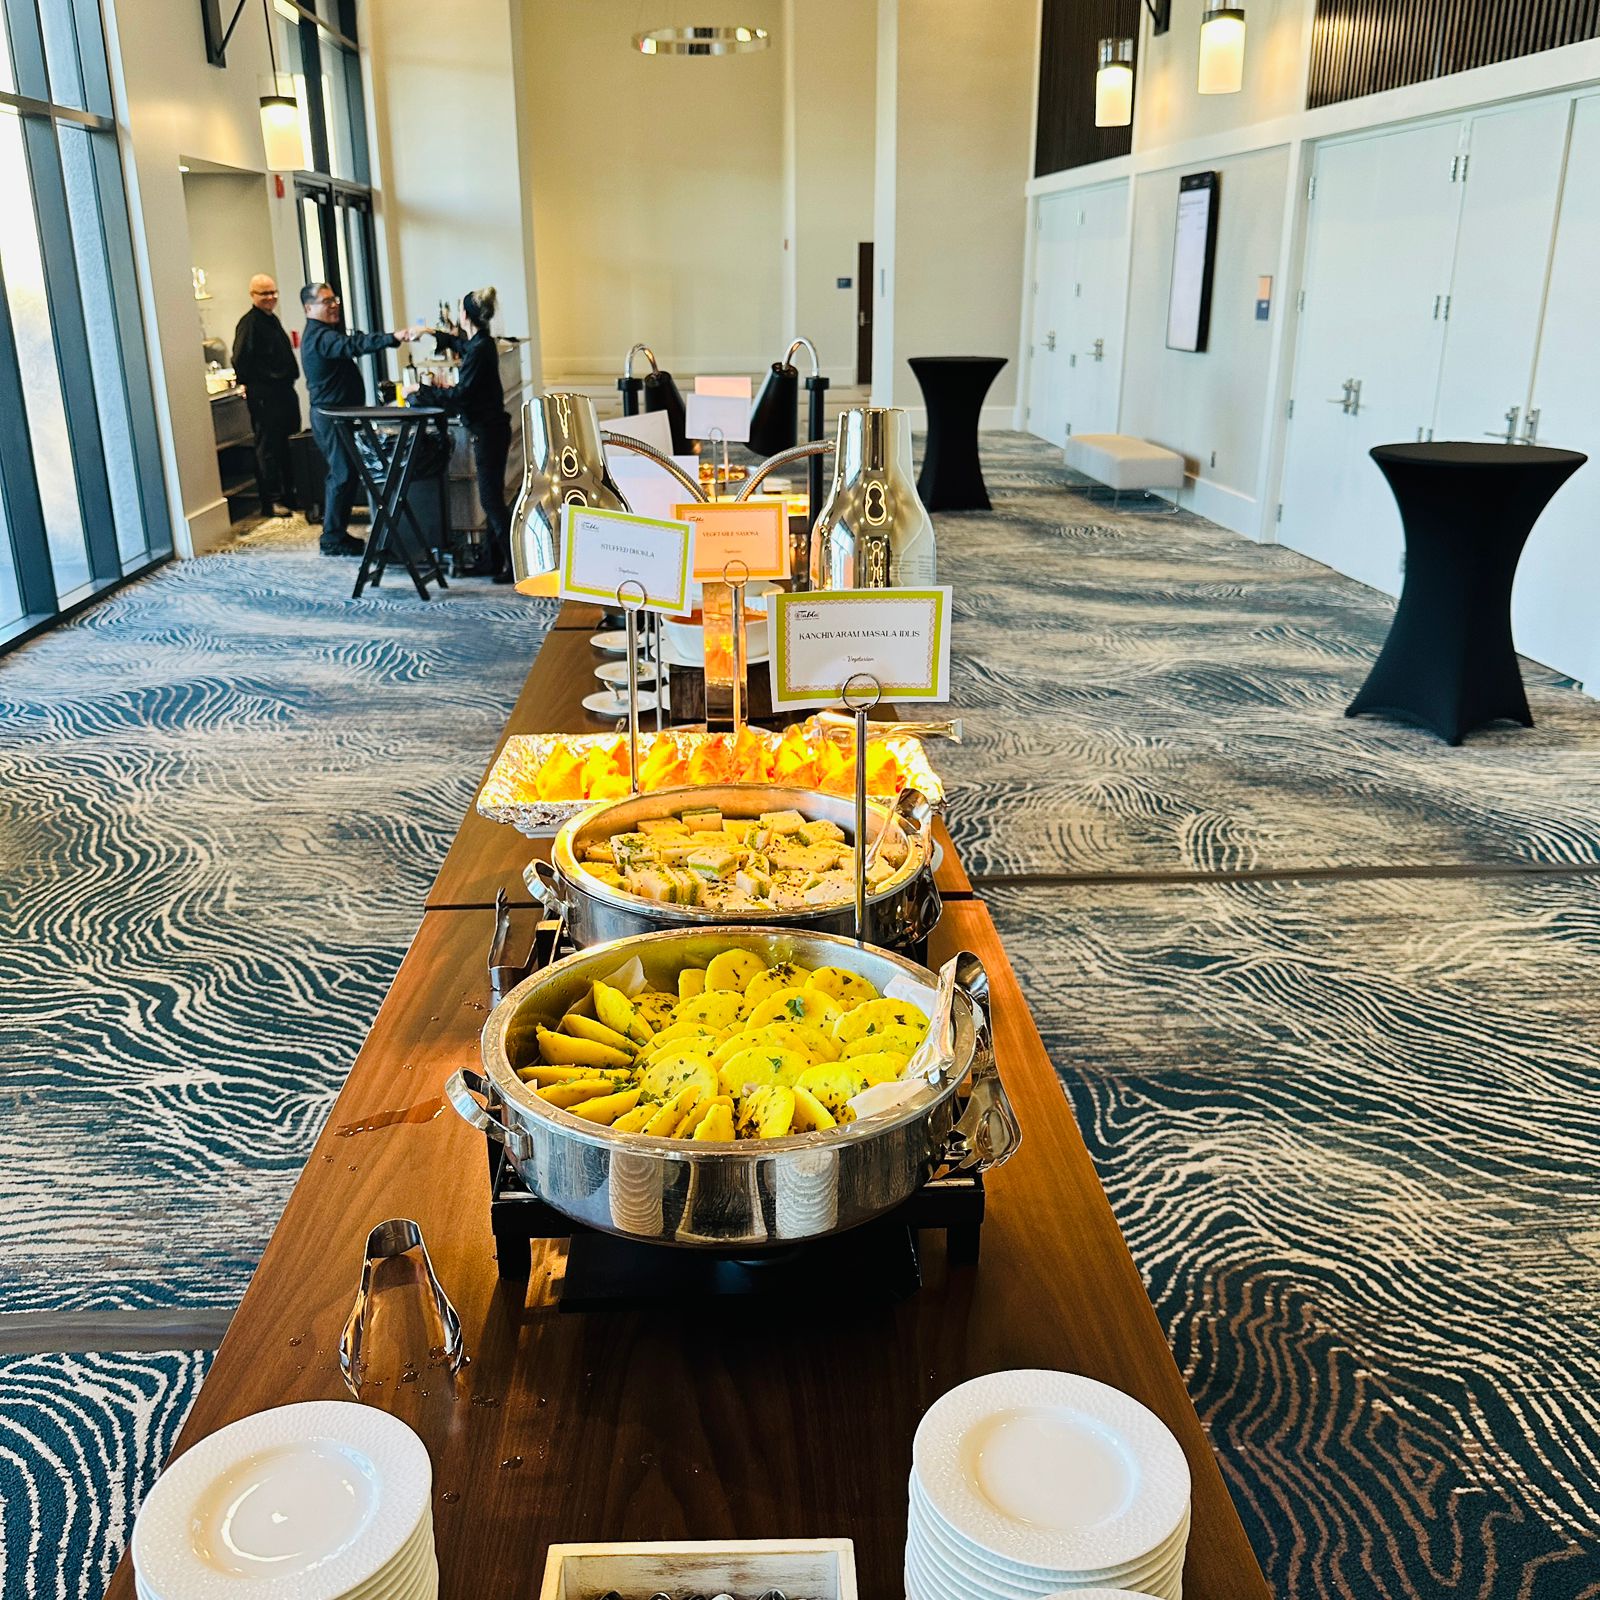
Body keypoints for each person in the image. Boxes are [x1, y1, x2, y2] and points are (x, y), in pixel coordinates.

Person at [299, 283, 423, 557]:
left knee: (345, 473)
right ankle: (331, 539)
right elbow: (353, 345)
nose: (334, 305)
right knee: (342, 474)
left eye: (334, 299)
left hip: (338, 416)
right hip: (330, 418)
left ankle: (336, 535)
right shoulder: (320, 337)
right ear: (309, 308)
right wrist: (393, 337)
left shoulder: (325, 333)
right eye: (326, 301)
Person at [419, 287, 513, 582]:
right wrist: (432, 333)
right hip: (492, 429)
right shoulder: (481, 343)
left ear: (465, 315)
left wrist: (422, 391)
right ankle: (492, 561)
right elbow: (463, 345)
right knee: (491, 499)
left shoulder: (481, 349)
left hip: (489, 433)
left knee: (491, 501)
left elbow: (462, 395)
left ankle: (514, 565)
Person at [230, 275, 300, 517]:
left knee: (288, 443)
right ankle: (272, 500)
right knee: (268, 446)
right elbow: (240, 358)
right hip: (264, 393)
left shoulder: (272, 320)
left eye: (273, 292)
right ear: (253, 295)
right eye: (264, 293)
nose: (271, 297)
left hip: (283, 391)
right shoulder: (249, 324)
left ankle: (290, 493)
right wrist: (250, 384)